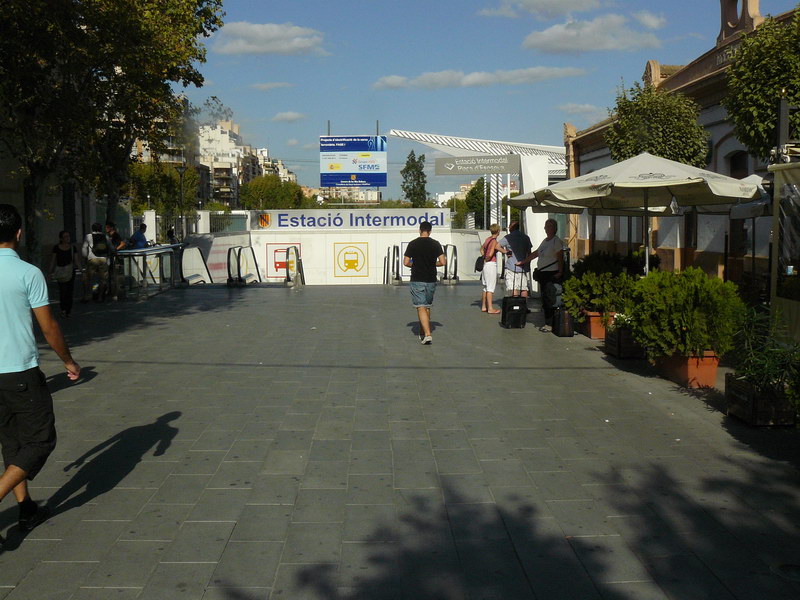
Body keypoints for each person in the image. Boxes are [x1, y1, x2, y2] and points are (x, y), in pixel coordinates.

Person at [0, 204, 80, 541]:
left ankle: (27, 509)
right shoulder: (28, 273)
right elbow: (49, 328)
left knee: (13, 443)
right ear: (19, 234)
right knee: (41, 439)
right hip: (20, 372)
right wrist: (68, 361)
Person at [518, 218, 565, 332]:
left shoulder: (556, 241)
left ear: (554, 228)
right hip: (543, 273)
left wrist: (560, 271)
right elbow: (536, 253)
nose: (546, 228)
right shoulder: (545, 241)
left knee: (550, 298)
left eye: (549, 226)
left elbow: (560, 257)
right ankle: (547, 322)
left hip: (551, 273)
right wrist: (523, 261)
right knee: (544, 298)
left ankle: (550, 324)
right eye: (545, 226)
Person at [403, 221, 446, 345]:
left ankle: (427, 334)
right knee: (426, 305)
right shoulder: (436, 244)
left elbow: (406, 262)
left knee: (420, 306)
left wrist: (415, 264)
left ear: (420, 230)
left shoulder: (413, 244)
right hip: (431, 279)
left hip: (417, 278)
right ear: (430, 231)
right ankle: (423, 332)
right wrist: (433, 263)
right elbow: (443, 262)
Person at [48, 231, 81, 318]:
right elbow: (53, 260)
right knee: (63, 291)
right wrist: (50, 271)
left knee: (70, 292)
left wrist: (81, 270)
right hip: (60, 272)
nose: (67, 238)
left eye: (68, 236)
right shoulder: (56, 248)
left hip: (70, 272)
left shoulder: (73, 248)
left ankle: (68, 310)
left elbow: (76, 260)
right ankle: (63, 310)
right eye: (65, 237)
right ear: (61, 238)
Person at [498, 221, 533, 298]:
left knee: (514, 288)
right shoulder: (526, 237)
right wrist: (527, 264)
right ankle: (523, 305)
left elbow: (497, 246)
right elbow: (529, 253)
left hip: (511, 265)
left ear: (511, 227)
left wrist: (505, 251)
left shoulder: (508, 237)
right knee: (524, 288)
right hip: (523, 266)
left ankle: (515, 304)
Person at [81, 222, 112, 302]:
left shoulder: (88, 236)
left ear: (92, 228)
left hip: (92, 259)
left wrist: (85, 257)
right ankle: (100, 297)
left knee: (87, 278)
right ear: (101, 229)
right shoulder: (106, 237)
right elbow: (111, 248)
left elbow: (84, 248)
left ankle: (87, 296)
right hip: (103, 259)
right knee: (102, 279)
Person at [479, 224, 503, 314]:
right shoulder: (494, 241)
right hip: (491, 264)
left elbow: (481, 249)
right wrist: (487, 258)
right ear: (498, 231)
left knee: (485, 287)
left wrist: (483, 257)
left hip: (485, 266)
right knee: (490, 287)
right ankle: (490, 308)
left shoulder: (487, 239)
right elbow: (491, 254)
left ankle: (483, 306)